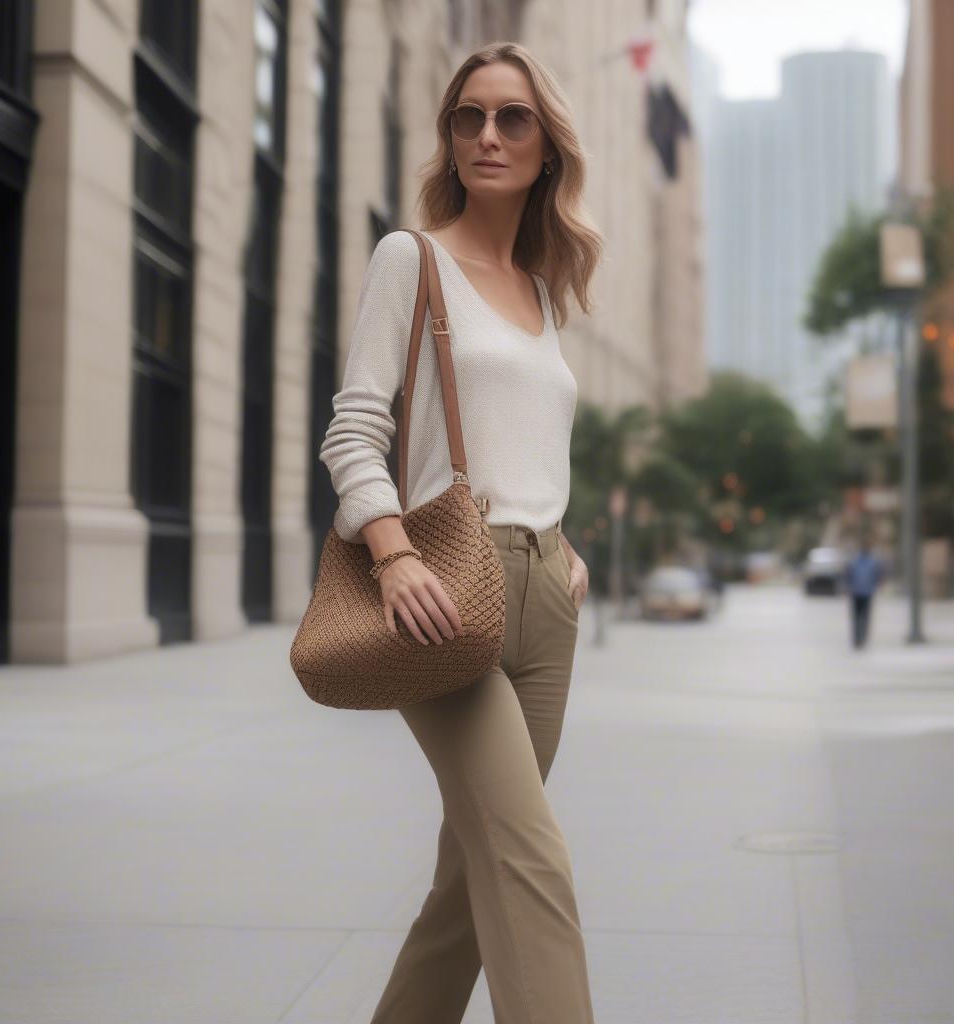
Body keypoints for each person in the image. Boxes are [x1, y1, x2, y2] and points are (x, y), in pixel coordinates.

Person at [317, 42, 603, 1024]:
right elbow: (354, 428)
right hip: (444, 594)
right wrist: (392, 556)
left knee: (467, 889)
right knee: (531, 860)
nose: (486, 135)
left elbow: (527, 437)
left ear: (546, 146)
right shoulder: (413, 256)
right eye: (466, 117)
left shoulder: (540, 286)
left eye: (511, 118)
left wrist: (560, 542)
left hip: (543, 604)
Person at [844, 536, 885, 649]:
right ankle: (858, 638)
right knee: (861, 617)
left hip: (862, 592)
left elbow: (878, 575)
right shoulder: (867, 561)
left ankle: (860, 638)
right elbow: (848, 574)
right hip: (861, 592)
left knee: (861, 617)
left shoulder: (860, 561)